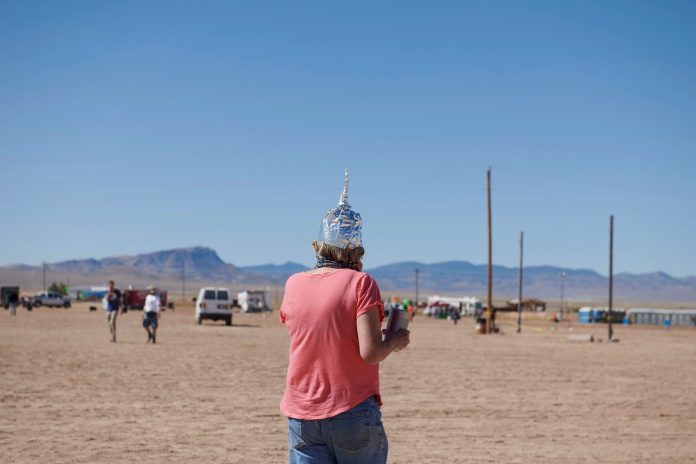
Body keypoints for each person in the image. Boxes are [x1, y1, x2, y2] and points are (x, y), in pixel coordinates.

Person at [279, 169, 410, 464]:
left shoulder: (293, 283)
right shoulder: (360, 283)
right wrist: (394, 339)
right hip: (350, 409)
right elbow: (370, 352)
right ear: (355, 251)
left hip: (301, 413)